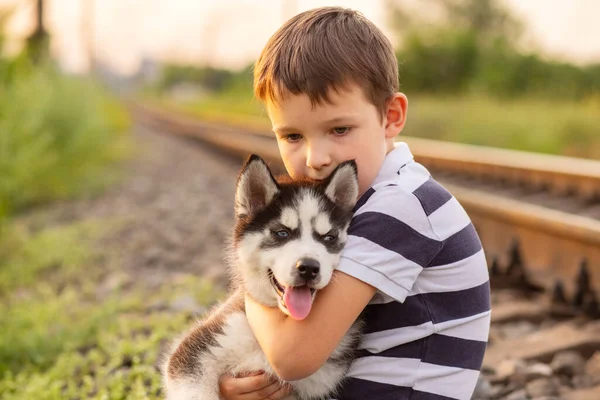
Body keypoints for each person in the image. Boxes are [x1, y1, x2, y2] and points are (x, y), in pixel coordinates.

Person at [219, 6, 491, 400]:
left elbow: (292, 357)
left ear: (391, 116)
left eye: (340, 129)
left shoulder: (399, 208)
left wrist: (252, 278)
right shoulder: (372, 197)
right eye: (292, 136)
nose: (315, 157)